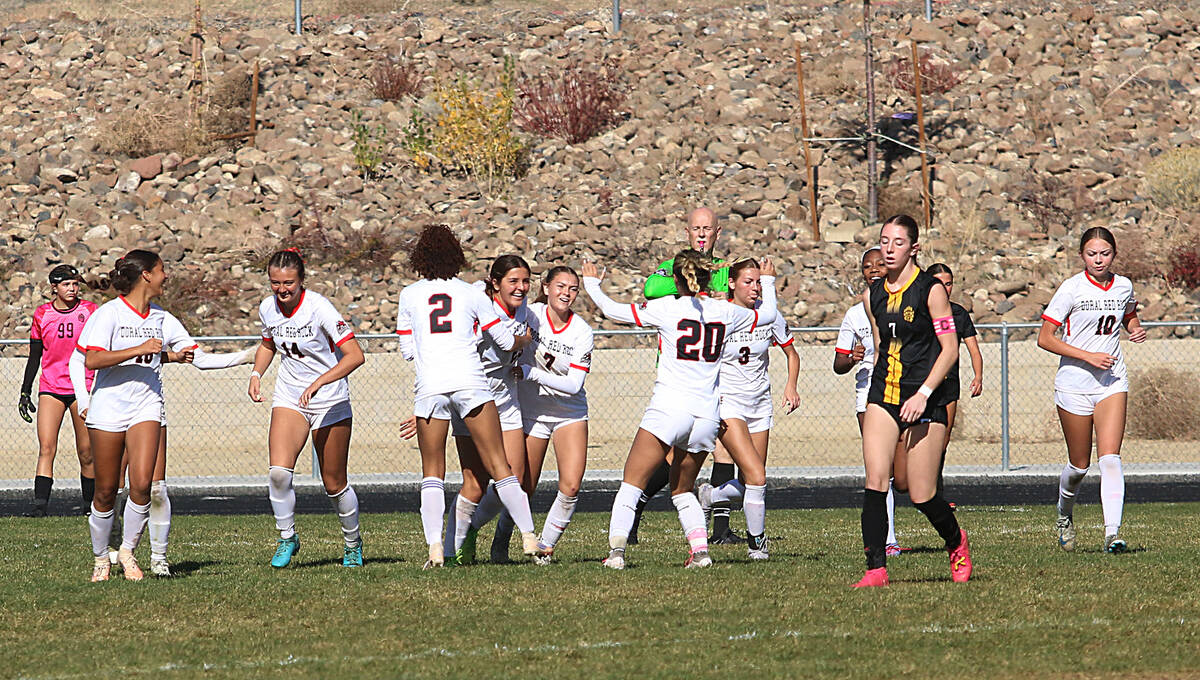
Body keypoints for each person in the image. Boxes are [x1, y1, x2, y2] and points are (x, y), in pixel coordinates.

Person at [582, 249, 779, 570]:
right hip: (706, 416)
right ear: (707, 278)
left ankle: (616, 553)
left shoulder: (665, 308)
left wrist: (592, 285)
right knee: (683, 488)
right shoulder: (723, 311)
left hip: (669, 408)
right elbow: (768, 313)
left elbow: (612, 310)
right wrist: (768, 282)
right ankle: (700, 553)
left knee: (631, 483)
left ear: (676, 279)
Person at [395, 225, 544, 568]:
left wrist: (432, 359)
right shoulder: (471, 293)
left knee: (432, 472)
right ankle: (528, 536)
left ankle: (435, 548)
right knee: (500, 467)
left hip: (430, 387)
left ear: (421, 257)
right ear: (456, 256)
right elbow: (506, 342)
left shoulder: (410, 294)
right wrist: (523, 342)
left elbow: (406, 349)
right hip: (471, 385)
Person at [854, 215, 972, 588]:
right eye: (884, 241)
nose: (888, 249)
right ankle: (876, 569)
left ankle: (956, 542)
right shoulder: (872, 294)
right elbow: (881, 346)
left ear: (914, 248)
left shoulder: (930, 290)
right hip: (883, 395)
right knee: (876, 480)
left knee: (921, 493)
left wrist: (923, 394)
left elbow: (950, 349)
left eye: (897, 242)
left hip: (925, 397)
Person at [71, 335, 252, 576]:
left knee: (154, 486)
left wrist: (246, 356)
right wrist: (84, 400)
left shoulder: (161, 318)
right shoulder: (111, 314)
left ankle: (158, 558)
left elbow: (198, 359)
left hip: (148, 410)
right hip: (113, 410)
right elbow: (81, 358)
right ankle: (110, 539)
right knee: (110, 487)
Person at [76, 250, 201, 582]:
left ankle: (128, 552)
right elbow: (93, 360)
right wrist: (140, 348)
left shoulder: (160, 316)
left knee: (143, 484)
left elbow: (194, 354)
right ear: (146, 275)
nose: (166, 276)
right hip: (108, 409)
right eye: (162, 270)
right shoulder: (109, 313)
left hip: (145, 406)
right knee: (105, 491)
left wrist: (249, 362)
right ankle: (101, 558)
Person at [248, 248, 366, 569]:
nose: (282, 290)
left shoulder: (319, 308)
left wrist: (320, 382)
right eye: (275, 283)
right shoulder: (267, 309)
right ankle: (287, 537)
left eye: (289, 283)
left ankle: (353, 543)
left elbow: (355, 355)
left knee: (333, 482)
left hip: (330, 400)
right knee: (278, 473)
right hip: (290, 396)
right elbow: (268, 344)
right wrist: (257, 373)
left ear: (302, 281)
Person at [1037, 227, 1144, 554]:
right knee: (1079, 466)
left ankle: (1112, 534)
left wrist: (1136, 328)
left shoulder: (1124, 285)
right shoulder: (1071, 288)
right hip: (1074, 384)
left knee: (1110, 458)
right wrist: (1087, 356)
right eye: (1092, 254)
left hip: (1112, 382)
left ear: (1114, 254)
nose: (1099, 259)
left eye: (1105, 253)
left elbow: (1129, 314)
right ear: (1082, 255)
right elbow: (1045, 337)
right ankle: (1064, 513)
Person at [635, 207, 737, 542]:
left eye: (708, 228)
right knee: (671, 454)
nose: (702, 234)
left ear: (718, 232)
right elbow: (651, 289)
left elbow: (739, 303)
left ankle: (721, 529)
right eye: (696, 229)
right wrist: (698, 291)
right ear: (687, 232)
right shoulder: (672, 268)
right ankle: (635, 507)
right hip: (680, 376)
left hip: (719, 372)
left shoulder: (725, 269)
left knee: (723, 449)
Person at [696, 256, 800, 560]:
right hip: (729, 403)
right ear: (731, 283)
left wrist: (791, 386)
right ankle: (758, 545)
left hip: (760, 404)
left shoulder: (769, 315)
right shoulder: (721, 315)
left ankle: (711, 495)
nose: (755, 288)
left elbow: (792, 355)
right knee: (757, 476)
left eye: (758, 281)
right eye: (748, 281)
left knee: (749, 481)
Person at [444, 255, 534, 565]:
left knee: (515, 479)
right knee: (476, 481)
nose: (521, 288)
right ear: (494, 283)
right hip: (474, 401)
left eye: (525, 281)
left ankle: (469, 530)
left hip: (507, 400)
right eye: (513, 281)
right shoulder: (479, 310)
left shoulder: (525, 311)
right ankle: (449, 550)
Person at [515, 266, 594, 564]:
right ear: (546, 287)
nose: (566, 293)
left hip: (569, 413)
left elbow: (574, 385)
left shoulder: (582, 331)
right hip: (532, 413)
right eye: (560, 286)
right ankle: (500, 540)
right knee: (523, 487)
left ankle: (545, 547)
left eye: (573, 289)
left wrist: (530, 372)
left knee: (571, 486)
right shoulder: (529, 313)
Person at [834, 247, 908, 556]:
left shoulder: (907, 303)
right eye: (868, 266)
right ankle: (887, 540)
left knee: (905, 479)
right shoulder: (854, 314)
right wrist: (851, 358)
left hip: (905, 391)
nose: (874, 269)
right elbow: (838, 364)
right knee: (880, 471)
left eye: (880, 263)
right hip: (869, 395)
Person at [19, 264, 98, 517]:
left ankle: (89, 506)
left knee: (86, 452)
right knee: (47, 447)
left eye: (75, 284)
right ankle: (40, 506)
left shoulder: (89, 310)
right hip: (51, 387)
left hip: (81, 387)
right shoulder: (43, 314)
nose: (72, 289)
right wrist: (25, 390)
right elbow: (35, 356)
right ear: (54, 288)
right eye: (66, 284)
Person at [925, 263, 984, 500]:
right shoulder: (921, 310)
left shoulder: (958, 313)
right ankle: (920, 485)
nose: (945, 288)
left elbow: (973, 348)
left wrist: (978, 376)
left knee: (943, 438)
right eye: (939, 283)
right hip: (922, 383)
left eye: (948, 283)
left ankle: (935, 491)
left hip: (949, 383)